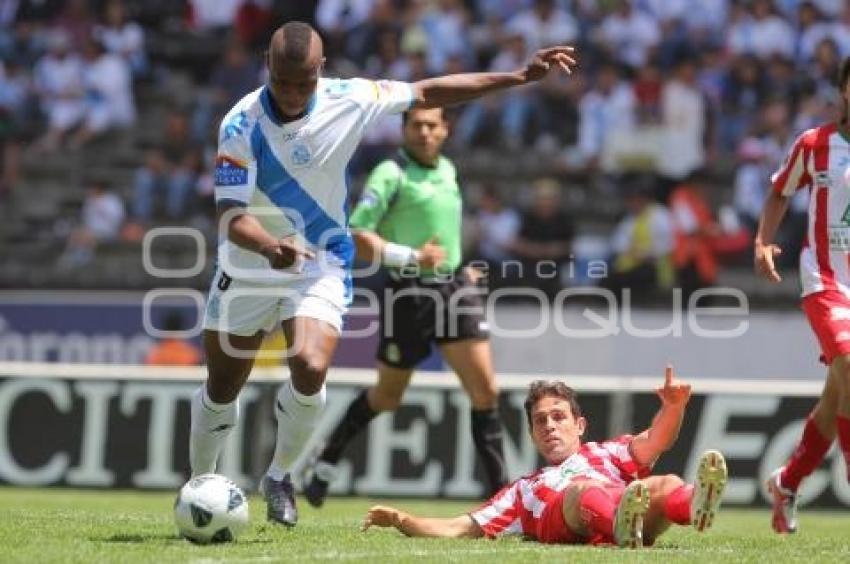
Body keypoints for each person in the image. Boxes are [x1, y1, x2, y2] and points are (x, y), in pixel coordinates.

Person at [191, 20, 577, 529]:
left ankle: (281, 475)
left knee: (309, 365)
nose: (290, 93)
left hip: (320, 259)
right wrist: (269, 246)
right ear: (267, 65)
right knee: (223, 386)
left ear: (320, 72)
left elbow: (428, 91)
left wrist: (517, 76)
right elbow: (231, 217)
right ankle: (200, 485)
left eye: (302, 83)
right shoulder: (240, 124)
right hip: (249, 265)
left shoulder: (350, 97)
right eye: (282, 82)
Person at [301, 106, 507, 507]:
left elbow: (443, 232)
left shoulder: (448, 169)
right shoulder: (390, 174)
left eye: (433, 125)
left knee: (486, 391)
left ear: (446, 129)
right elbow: (358, 234)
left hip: (453, 290)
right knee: (388, 397)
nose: (425, 133)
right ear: (404, 130)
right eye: (417, 126)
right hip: (407, 293)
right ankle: (325, 460)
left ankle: (501, 495)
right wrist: (411, 257)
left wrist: (461, 268)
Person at [362, 367, 728, 549]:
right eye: (541, 421)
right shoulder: (524, 490)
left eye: (558, 417)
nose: (550, 426)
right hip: (580, 511)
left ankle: (694, 504)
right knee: (581, 490)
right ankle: (621, 522)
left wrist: (674, 408)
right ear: (533, 433)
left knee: (666, 483)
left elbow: (655, 441)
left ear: (579, 424)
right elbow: (461, 526)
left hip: (633, 513)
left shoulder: (606, 453)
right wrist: (402, 519)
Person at [755, 56, 850, 535]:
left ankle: (787, 482)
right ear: (843, 91)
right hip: (826, 281)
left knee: (839, 397)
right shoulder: (814, 145)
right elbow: (778, 193)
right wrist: (761, 241)